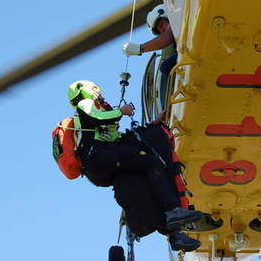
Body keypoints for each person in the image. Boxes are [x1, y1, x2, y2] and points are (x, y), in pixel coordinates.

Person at [68, 80, 202, 251]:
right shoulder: (85, 104)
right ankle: (173, 209)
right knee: (152, 162)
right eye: (95, 90)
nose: (99, 94)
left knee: (140, 183)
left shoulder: (86, 118)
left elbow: (118, 138)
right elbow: (97, 119)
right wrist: (121, 112)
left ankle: (174, 234)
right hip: (98, 155)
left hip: (99, 164)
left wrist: (152, 127)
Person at [122, 5, 177, 77]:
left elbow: (166, 38)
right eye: (160, 32)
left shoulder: (176, 19)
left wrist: (140, 48)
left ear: (167, 15)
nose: (162, 31)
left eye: (161, 25)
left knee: (166, 66)